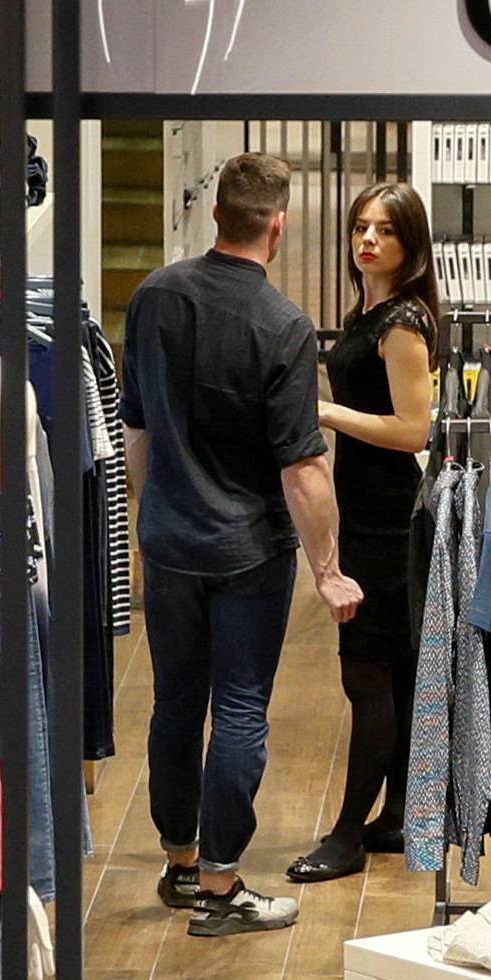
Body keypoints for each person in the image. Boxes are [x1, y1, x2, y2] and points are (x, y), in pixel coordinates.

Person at [121, 152, 361, 939]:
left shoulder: (153, 296)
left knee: (174, 704)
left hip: (170, 541)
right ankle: (222, 887)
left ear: (215, 213)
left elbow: (138, 430)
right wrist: (327, 570)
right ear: (279, 225)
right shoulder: (284, 327)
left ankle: (181, 860)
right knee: (241, 711)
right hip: (246, 552)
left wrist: (145, 521)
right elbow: (303, 469)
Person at [287, 182, 442, 883]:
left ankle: (349, 830)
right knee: (394, 672)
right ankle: (397, 815)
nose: (368, 239)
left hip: (387, 516)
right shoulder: (371, 311)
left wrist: (325, 412)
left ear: (410, 242)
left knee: (366, 674)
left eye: (383, 229)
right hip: (371, 509)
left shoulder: (401, 322)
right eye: (359, 227)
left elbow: (415, 429)